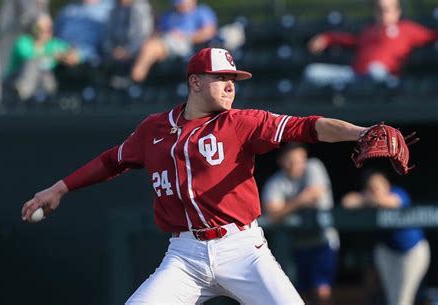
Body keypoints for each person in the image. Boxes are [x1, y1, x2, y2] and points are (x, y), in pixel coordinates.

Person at [22, 47, 375, 304]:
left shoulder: (241, 123)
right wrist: (60, 188)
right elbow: (111, 160)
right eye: (220, 78)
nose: (229, 85)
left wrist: (361, 133)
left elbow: (307, 127)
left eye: (233, 79)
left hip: (243, 249)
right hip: (185, 254)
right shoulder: (155, 128)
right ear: (194, 82)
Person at [261, 143, 338, 305]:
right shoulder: (276, 182)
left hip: (322, 241)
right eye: (290, 160)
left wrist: (287, 207)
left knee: (322, 292)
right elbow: (272, 215)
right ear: (281, 161)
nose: (296, 164)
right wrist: (300, 201)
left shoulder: (313, 166)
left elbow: (314, 195)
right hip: (295, 244)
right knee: (295, 294)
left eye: (300, 159)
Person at [342, 169, 430, 305]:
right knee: (393, 299)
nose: (375, 189)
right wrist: (367, 198)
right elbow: (347, 202)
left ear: (387, 185)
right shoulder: (368, 197)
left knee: (402, 299)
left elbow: (393, 202)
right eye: (372, 187)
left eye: (378, 185)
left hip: (412, 251)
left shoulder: (397, 192)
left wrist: (370, 200)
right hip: (388, 251)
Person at [305, 0, 438, 87]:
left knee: (375, 70)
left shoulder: (407, 29)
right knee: (312, 72)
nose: (382, 14)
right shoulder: (368, 30)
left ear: (397, 11)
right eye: (378, 9)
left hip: (384, 76)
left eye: (386, 9)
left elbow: (432, 36)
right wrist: (327, 38)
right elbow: (348, 40)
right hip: (354, 75)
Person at [130, 0, 217, 83]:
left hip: (186, 45)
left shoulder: (201, 11)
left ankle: (137, 76)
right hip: (164, 44)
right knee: (150, 45)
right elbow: (158, 32)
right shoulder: (169, 15)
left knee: (153, 46)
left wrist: (185, 36)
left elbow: (208, 32)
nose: (180, 6)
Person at [5, 13, 79, 101]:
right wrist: (54, 55)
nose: (46, 31)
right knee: (33, 65)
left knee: (46, 75)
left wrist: (68, 56)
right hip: (17, 79)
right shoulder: (23, 41)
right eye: (42, 28)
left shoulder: (53, 44)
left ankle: (48, 98)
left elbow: (75, 56)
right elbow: (31, 57)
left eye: (49, 28)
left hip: (42, 81)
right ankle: (24, 95)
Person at [54, 0, 113, 65]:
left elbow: (110, 45)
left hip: (93, 64)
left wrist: (82, 54)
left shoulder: (111, 8)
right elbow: (57, 35)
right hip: (61, 58)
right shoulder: (69, 9)